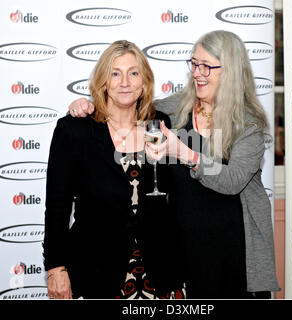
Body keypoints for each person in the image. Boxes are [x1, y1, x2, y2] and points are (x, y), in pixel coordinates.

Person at [68, 30, 280, 298]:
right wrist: (87, 107)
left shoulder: (248, 124)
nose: (197, 73)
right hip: (185, 252)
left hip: (234, 249)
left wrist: (186, 153)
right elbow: (128, 104)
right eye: (194, 64)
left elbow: (233, 179)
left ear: (232, 71)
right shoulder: (176, 108)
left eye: (207, 66)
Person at [43, 40, 185, 299]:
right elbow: (57, 206)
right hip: (96, 275)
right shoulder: (76, 130)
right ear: (103, 82)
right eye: (115, 74)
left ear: (144, 82)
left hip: (159, 274)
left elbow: (171, 200)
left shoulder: (160, 126)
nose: (125, 82)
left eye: (133, 73)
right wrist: (55, 268)